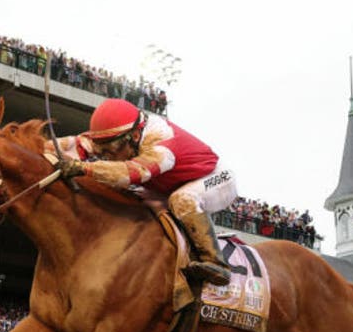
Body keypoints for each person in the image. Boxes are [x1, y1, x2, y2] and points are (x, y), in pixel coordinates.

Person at [54, 98, 238, 286]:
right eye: (101, 150)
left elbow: (130, 173)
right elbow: (72, 144)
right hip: (168, 183)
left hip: (215, 177)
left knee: (183, 199)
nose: (106, 155)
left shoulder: (161, 142)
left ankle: (216, 263)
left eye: (111, 150)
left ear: (134, 137)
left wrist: (85, 168)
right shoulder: (119, 134)